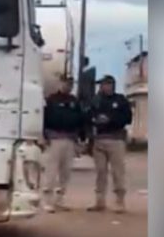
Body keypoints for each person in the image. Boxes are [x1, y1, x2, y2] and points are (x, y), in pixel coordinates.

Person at [88, 75, 133, 213]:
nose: (102, 87)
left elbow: (128, 118)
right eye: (101, 85)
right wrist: (95, 120)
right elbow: (88, 116)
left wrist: (110, 119)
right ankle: (99, 201)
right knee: (100, 171)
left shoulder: (120, 100)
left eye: (104, 84)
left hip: (116, 139)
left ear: (111, 85)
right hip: (99, 140)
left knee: (117, 172)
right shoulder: (96, 100)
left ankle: (120, 201)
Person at [42, 76, 84, 212]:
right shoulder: (51, 100)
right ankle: (47, 200)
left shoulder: (74, 101)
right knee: (51, 171)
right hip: (54, 139)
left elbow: (80, 120)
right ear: (60, 84)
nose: (68, 86)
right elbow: (44, 119)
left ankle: (60, 199)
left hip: (70, 139)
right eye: (65, 83)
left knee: (66, 172)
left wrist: (81, 138)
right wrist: (44, 136)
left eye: (70, 84)